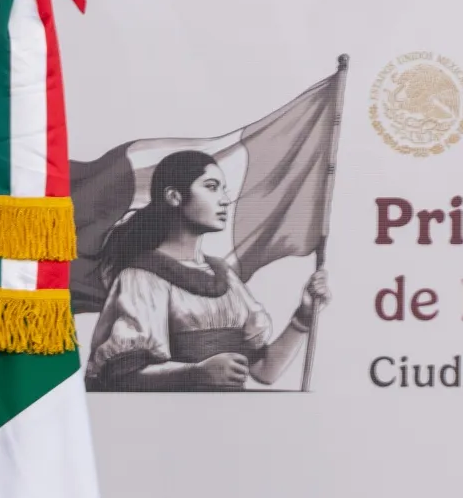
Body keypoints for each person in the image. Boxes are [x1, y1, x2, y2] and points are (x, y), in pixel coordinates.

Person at [84, 149, 330, 390]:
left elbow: (265, 371)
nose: (224, 199)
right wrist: (196, 373)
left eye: (223, 189)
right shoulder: (141, 277)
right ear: (174, 196)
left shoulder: (225, 277)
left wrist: (303, 316)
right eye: (211, 187)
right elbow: (121, 379)